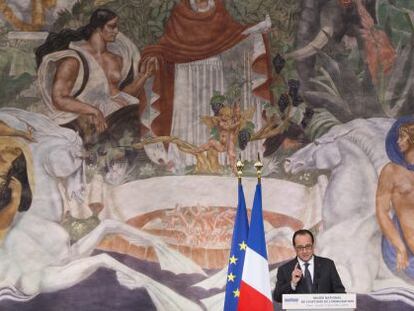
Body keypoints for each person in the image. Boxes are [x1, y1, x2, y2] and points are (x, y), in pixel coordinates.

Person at [35, 8, 157, 146]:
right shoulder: (73, 60)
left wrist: (144, 76)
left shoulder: (116, 59)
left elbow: (120, 96)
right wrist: (93, 110)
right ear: (97, 28)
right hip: (87, 122)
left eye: (117, 26)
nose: (117, 31)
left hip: (119, 116)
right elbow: (59, 98)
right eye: (112, 26)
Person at [377, 118, 414, 278]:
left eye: (402, 137)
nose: (398, 141)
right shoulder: (391, 171)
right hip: (404, 245)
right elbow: (382, 211)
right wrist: (399, 247)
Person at [273, 229, 345, 302]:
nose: (304, 251)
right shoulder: (284, 269)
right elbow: (277, 297)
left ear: (313, 245)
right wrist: (292, 283)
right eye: (300, 247)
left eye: (308, 246)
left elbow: (340, 293)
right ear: (294, 248)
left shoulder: (328, 265)